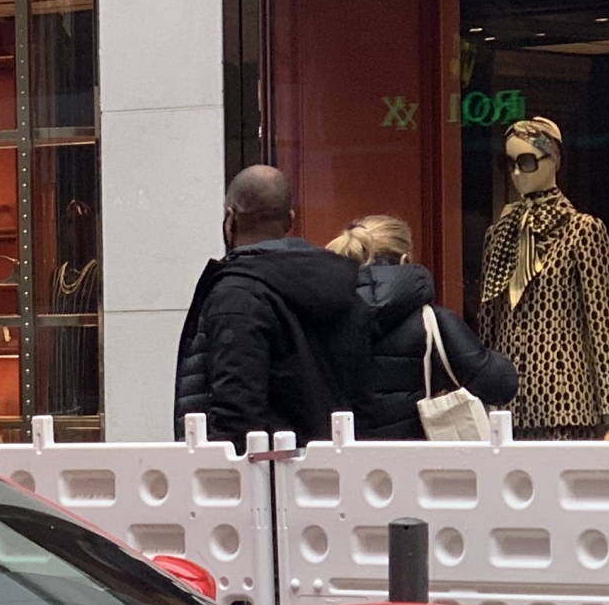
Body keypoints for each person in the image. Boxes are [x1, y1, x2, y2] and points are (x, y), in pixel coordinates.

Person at [172, 164, 370, 448]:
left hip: (267, 475)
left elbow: (237, 410)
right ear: (290, 220)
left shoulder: (237, 294)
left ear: (230, 219)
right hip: (334, 465)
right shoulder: (343, 285)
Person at [327, 216, 516, 440]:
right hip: (416, 463)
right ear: (405, 260)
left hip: (340, 463)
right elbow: (500, 385)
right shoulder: (432, 321)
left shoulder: (322, 318)